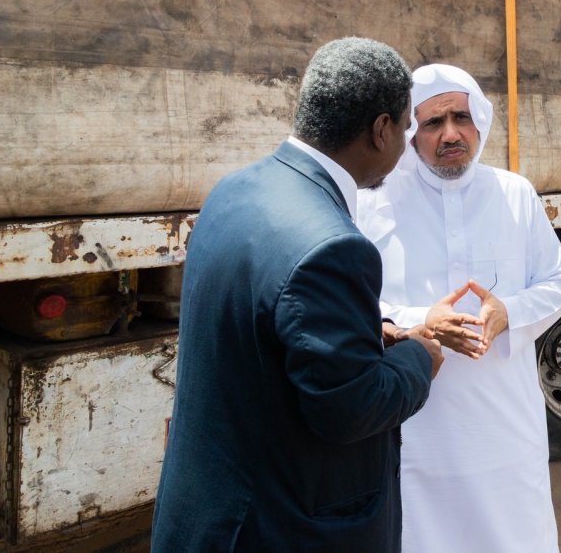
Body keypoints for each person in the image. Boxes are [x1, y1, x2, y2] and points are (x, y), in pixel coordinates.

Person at [153, 37, 443, 551]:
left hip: (206, 512)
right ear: (381, 130)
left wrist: (366, 336)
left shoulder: (235, 189)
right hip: (273, 526)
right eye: (407, 127)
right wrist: (420, 357)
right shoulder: (334, 246)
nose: (405, 144)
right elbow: (351, 410)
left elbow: (263, 322)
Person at [357, 63, 561, 553]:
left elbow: (558, 284)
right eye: (433, 122)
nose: (450, 133)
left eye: (461, 117)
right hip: (419, 425)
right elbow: (355, 304)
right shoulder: (374, 203)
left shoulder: (515, 194)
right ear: (410, 133)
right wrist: (420, 324)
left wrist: (508, 313)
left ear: (480, 121)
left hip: (505, 420)